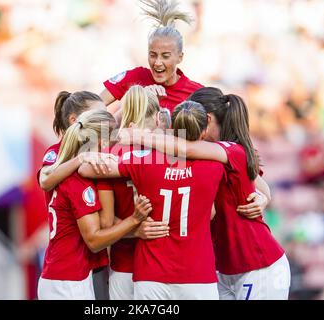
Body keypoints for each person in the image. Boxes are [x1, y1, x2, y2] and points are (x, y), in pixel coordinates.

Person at [119, 87, 291, 299]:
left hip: (257, 264)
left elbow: (262, 186)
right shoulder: (203, 155)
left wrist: (138, 135)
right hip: (222, 269)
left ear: (207, 119)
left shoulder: (229, 149)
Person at [79, 101, 226, 300]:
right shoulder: (216, 165)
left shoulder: (146, 160)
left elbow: (85, 169)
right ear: (205, 129)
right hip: (198, 274)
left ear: (173, 128)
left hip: (151, 272)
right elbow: (212, 213)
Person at [38, 109, 153, 300]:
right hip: (69, 280)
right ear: (102, 142)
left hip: (61, 274)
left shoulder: (65, 169)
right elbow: (94, 241)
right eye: (113, 139)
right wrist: (134, 221)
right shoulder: (78, 182)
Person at [97, 85, 170, 300]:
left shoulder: (107, 157)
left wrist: (133, 230)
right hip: (163, 262)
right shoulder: (171, 152)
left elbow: (106, 221)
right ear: (158, 118)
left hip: (124, 262)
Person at [100, 0, 203, 115]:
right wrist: (138, 101)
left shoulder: (196, 93)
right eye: (153, 55)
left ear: (180, 57)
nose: (157, 62)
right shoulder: (136, 77)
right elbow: (95, 105)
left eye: (165, 56)